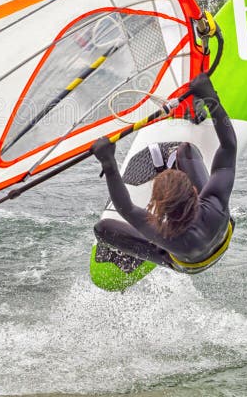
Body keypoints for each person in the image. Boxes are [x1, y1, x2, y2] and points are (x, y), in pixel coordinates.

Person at [91, 72, 236, 274]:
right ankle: (174, 158)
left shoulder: (164, 235)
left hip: (185, 262)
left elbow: (126, 208)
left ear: (158, 208)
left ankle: (135, 261)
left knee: (102, 230)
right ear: (194, 191)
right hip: (219, 232)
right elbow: (229, 147)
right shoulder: (216, 201)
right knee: (186, 151)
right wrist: (210, 97)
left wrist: (108, 164)